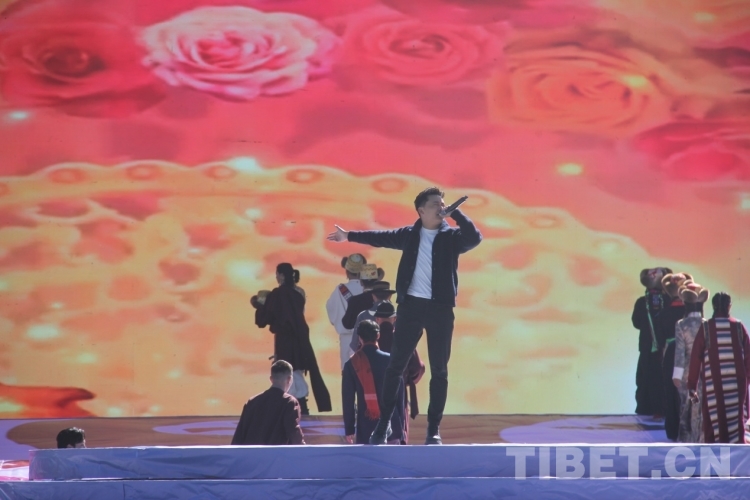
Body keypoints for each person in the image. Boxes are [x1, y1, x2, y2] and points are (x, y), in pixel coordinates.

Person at [327, 186, 482, 445]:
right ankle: (384, 424)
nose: (441, 207)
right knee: (395, 366)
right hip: (411, 307)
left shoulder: (451, 238)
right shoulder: (409, 235)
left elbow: (474, 238)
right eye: (435, 204)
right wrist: (349, 236)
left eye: (443, 203)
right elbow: (379, 237)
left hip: (440, 309)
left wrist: (457, 215)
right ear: (421, 211)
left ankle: (433, 429)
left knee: (440, 370)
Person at [251, 263, 332, 415]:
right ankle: (301, 408)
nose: (276, 277)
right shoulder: (298, 294)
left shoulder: (277, 295)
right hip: (301, 340)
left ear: (281, 275)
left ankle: (295, 410)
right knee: (296, 372)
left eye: (277, 274)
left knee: (288, 373)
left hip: (285, 342)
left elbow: (263, 320)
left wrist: (259, 305)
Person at [688, 292, 750, 443]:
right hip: (737, 388)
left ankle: (716, 454)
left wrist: (692, 386)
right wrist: (747, 381)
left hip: (713, 387)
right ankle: (737, 454)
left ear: (713, 306)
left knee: (715, 422)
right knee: (736, 423)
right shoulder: (738, 327)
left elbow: (695, 358)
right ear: (729, 306)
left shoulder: (706, 328)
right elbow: (748, 358)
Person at [342, 320, 405, 445]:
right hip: (391, 425)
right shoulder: (391, 361)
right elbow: (400, 396)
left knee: (367, 458)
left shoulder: (352, 364)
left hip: (366, 426)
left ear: (360, 338)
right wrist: (400, 425)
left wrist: (349, 429)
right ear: (378, 335)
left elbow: (348, 399)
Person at [231, 360, 305, 445]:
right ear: (289, 379)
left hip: (251, 453)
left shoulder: (252, 402)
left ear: (271, 379)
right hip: (276, 453)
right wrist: (305, 450)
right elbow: (294, 434)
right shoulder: (289, 402)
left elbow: (239, 436)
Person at [671, 280, 708, 442]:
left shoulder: (681, 324)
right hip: (704, 372)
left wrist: (676, 375)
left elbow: (680, 352)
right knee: (700, 409)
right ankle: (700, 439)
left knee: (686, 407)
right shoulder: (707, 324)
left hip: (687, 373)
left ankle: (686, 442)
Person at [631, 267, 671, 418]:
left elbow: (636, 323)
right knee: (662, 378)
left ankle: (644, 409)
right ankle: (662, 410)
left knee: (644, 379)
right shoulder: (668, 300)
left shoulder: (641, 302)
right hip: (665, 348)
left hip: (647, 347)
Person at [658, 271, 692, 440]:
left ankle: (672, 431)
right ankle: (689, 430)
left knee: (671, 393)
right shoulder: (689, 313)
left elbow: (659, 341)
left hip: (671, 352)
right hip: (689, 353)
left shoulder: (663, 314)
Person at [326, 253, 367, 370]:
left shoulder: (340, 290)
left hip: (347, 339)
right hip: (368, 338)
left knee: (348, 372)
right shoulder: (369, 290)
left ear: (347, 271)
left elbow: (330, 308)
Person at [347, 281, 397, 352]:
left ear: (373, 296)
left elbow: (354, 345)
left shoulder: (363, 316)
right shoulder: (397, 316)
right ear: (390, 296)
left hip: (368, 356)